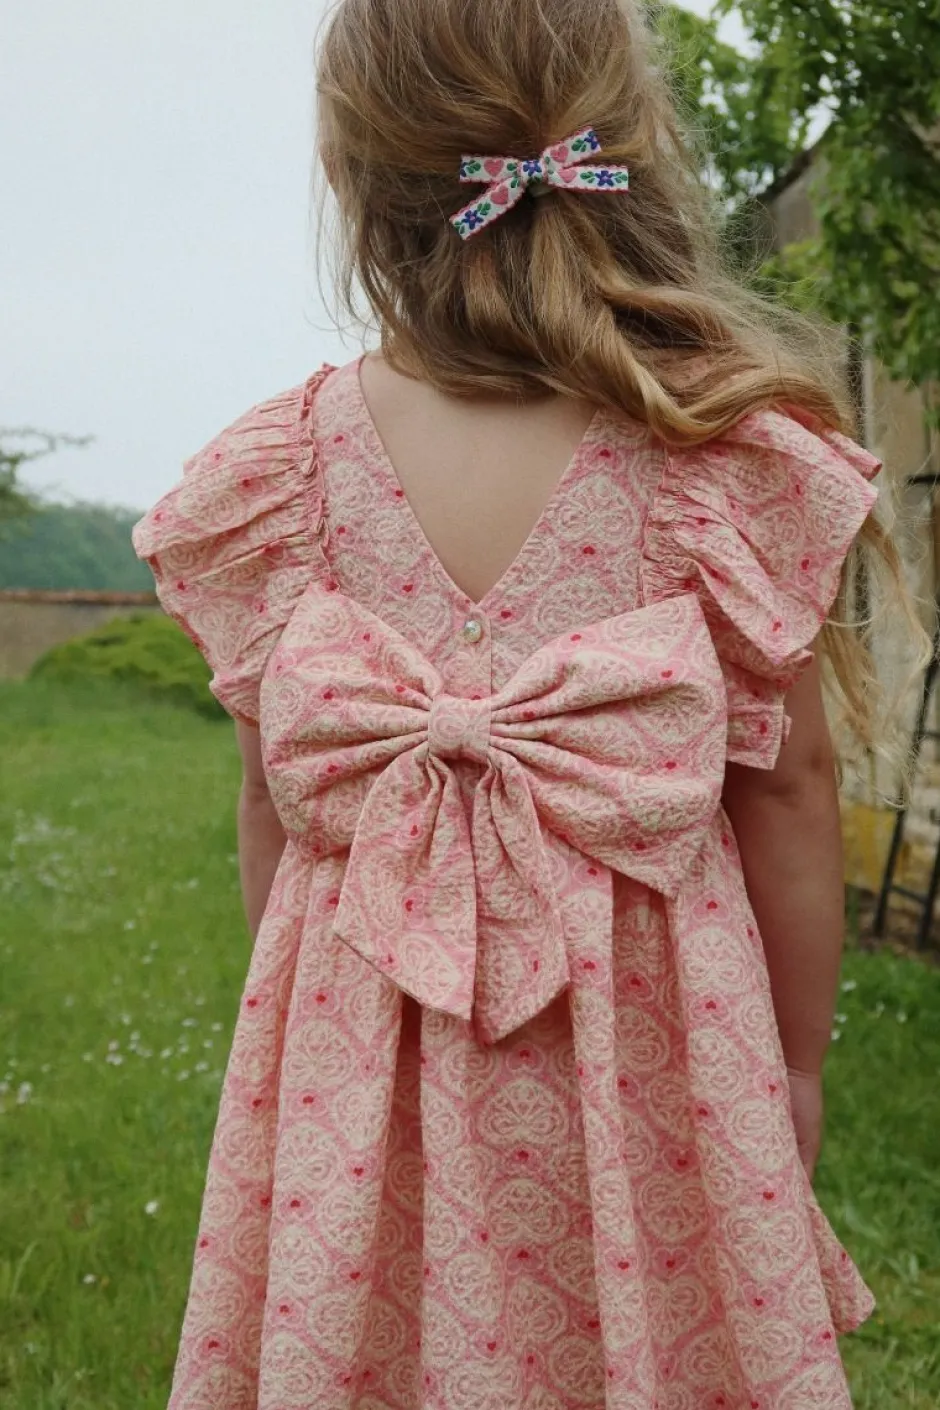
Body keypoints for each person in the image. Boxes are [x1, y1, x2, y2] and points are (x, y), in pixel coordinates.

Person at [132, 1, 920, 1405]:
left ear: (352, 175)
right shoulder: (716, 447)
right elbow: (793, 791)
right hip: (659, 1070)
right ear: (630, 143)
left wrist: (322, 1044)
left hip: (366, 1055)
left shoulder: (282, 476)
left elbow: (279, 802)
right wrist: (792, 1067)